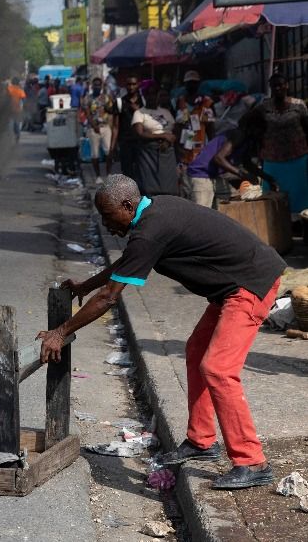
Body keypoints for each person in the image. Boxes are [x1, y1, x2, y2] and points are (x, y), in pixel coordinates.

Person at [37, 174, 285, 490]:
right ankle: (201, 441)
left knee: (219, 369)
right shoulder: (153, 212)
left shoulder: (150, 231)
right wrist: (86, 285)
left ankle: (252, 461)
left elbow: (110, 297)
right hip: (234, 286)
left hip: (252, 284)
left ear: (127, 205)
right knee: (197, 352)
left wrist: (61, 331)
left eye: (108, 215)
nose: (106, 224)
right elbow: (127, 263)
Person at [244, 73, 308, 218]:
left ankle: (300, 225)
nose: (278, 88)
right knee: (274, 197)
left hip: (298, 158)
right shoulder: (263, 107)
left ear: (287, 86)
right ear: (271, 88)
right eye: (274, 86)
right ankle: (279, 227)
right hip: (273, 160)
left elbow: (306, 127)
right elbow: (247, 122)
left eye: (281, 85)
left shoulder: (299, 105)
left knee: (301, 195)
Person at [132, 84, 179, 195]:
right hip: (149, 152)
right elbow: (140, 133)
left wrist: (168, 140)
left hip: (167, 151)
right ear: (144, 95)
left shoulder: (166, 112)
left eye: (154, 93)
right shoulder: (139, 113)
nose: (152, 96)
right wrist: (162, 136)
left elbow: (175, 129)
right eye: (149, 94)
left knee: (169, 187)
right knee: (149, 187)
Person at [81, 76, 117, 184]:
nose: (97, 87)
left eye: (99, 85)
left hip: (105, 127)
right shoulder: (88, 98)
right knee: (95, 153)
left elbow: (111, 111)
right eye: (95, 85)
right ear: (92, 86)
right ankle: (97, 176)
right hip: (93, 128)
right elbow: (87, 114)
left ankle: (109, 174)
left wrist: (108, 104)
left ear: (101, 86)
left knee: (108, 151)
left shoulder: (106, 98)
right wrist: (94, 125)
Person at [113, 75, 145, 185]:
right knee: (127, 173)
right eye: (129, 84)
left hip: (141, 142)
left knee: (142, 171)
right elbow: (116, 126)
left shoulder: (144, 101)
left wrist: (138, 110)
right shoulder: (120, 102)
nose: (131, 87)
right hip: (125, 142)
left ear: (138, 85)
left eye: (134, 84)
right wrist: (113, 147)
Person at [7, 77, 27, 143]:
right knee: (17, 125)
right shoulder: (20, 90)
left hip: (10, 110)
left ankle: (10, 139)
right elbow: (24, 100)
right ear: (18, 82)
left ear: (12, 82)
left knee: (10, 124)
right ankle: (17, 138)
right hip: (18, 110)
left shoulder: (9, 89)